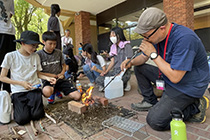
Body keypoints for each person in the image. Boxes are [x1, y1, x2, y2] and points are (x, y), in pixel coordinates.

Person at [121, 7, 210, 131]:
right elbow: (143, 58)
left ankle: (196, 107)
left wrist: (153, 54)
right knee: (139, 68)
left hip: (187, 85)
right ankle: (150, 101)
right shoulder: (157, 36)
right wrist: (130, 62)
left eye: (146, 35)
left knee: (155, 121)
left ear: (161, 28)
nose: (145, 39)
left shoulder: (185, 39)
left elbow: (175, 77)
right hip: (169, 75)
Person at [0, 31, 57, 125]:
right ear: (23, 43)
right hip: (18, 91)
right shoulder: (11, 56)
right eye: (32, 45)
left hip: (34, 88)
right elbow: (2, 77)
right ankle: (20, 106)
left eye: (36, 46)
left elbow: (38, 73)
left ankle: (32, 107)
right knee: (22, 120)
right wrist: (21, 83)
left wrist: (47, 78)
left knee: (37, 115)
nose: (34, 49)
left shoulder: (35, 56)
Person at [37, 31, 81, 104]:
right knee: (47, 92)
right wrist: (52, 76)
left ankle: (56, 89)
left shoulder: (58, 52)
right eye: (50, 44)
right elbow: (38, 72)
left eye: (54, 44)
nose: (53, 46)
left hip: (60, 79)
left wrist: (62, 73)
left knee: (77, 96)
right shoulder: (38, 55)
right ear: (43, 42)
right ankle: (53, 91)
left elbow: (64, 65)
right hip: (48, 80)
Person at [96, 27, 133, 91]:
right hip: (115, 71)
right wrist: (105, 72)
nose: (111, 37)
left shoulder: (127, 46)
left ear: (119, 35)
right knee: (98, 79)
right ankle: (118, 85)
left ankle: (125, 83)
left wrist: (120, 73)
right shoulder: (112, 47)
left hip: (124, 71)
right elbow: (112, 62)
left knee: (117, 79)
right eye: (110, 36)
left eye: (113, 35)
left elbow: (129, 61)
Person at [0, 0, 16, 93]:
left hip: (9, 32)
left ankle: (7, 91)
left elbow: (11, 13)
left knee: (9, 62)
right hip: (1, 32)